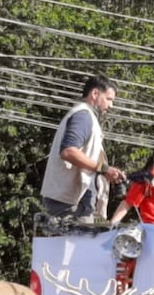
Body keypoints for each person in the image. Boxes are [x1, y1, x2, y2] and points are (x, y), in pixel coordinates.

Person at [41, 74, 126, 222]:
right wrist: (104, 169)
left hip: (75, 200)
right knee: (75, 243)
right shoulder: (83, 116)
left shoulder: (87, 117)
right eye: (109, 99)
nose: (111, 106)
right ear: (95, 94)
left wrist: (104, 171)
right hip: (68, 204)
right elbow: (68, 151)